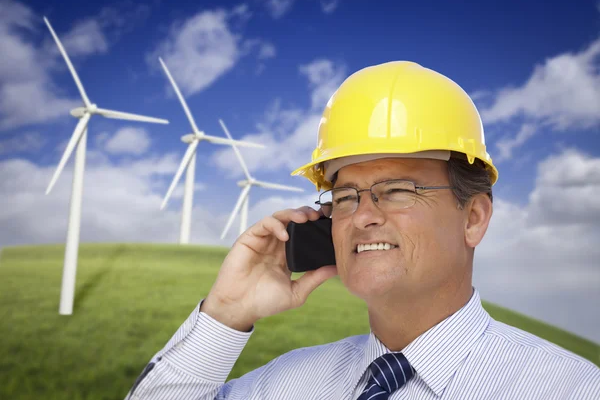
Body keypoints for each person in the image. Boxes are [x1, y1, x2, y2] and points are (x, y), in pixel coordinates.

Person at [125, 61, 600, 400]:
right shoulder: (285, 386)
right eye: (346, 196)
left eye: (397, 191)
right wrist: (225, 315)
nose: (362, 215)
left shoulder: (573, 390)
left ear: (473, 218)